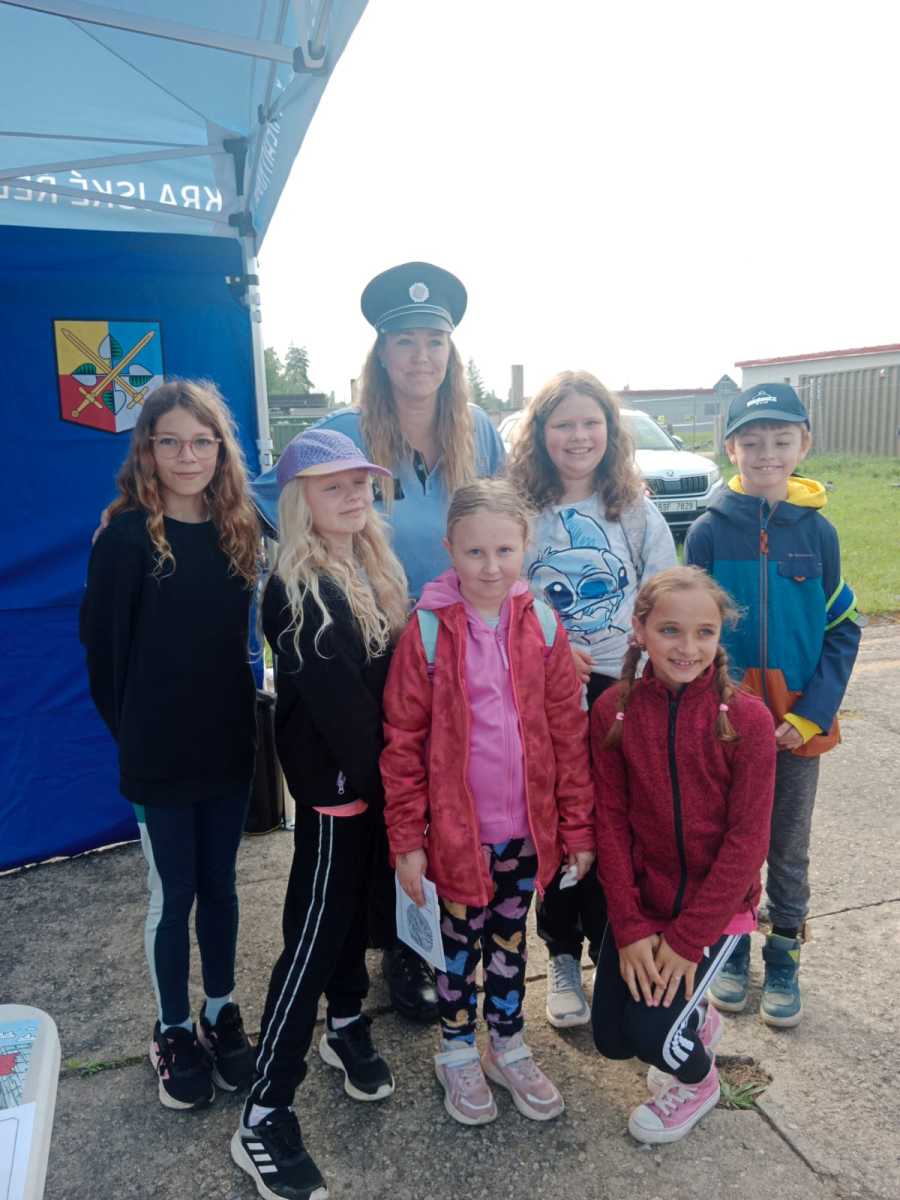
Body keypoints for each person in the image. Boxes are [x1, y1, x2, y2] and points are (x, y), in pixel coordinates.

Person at [253, 262, 505, 1025]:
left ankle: (429, 935)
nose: (421, 356)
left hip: (457, 642)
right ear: (381, 352)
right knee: (393, 794)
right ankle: (394, 947)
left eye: (435, 341)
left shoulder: (478, 429)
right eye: (405, 341)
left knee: (450, 791)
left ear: (451, 351)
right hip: (376, 650)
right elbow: (270, 499)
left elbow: (500, 520)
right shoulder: (346, 430)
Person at [381, 479, 595, 1127]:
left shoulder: (545, 626)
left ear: (525, 545)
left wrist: (577, 827)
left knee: (508, 941)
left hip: (526, 833)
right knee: (455, 949)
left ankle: (507, 1044)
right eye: (475, 552)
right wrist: (407, 840)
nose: (491, 566)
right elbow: (402, 743)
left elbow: (569, 734)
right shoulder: (425, 632)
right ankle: (455, 1051)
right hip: (455, 837)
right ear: (449, 548)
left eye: (504, 549)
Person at [232, 428, 409, 1200]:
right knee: (312, 935)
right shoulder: (296, 585)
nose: (353, 494)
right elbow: (346, 716)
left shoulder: (371, 561)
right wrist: (403, 797)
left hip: (375, 777)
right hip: (341, 786)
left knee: (354, 915)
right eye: (333, 485)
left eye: (360, 481)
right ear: (300, 501)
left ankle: (345, 1023)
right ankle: (264, 1109)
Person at [80, 379, 260, 1110]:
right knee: (174, 892)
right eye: (171, 442)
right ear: (148, 450)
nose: (188, 456)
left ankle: (220, 1009)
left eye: (202, 441)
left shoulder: (240, 528)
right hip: (159, 756)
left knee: (221, 887)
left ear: (220, 450)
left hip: (229, 746)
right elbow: (103, 657)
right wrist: (138, 736)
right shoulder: (125, 538)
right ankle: (174, 1028)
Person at [685, 383, 861, 1026]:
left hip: (796, 720)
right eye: (752, 441)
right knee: (728, 840)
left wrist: (810, 714)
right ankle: (731, 948)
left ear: (803, 445)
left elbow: (843, 628)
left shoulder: (819, 533)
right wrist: (713, 707)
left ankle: (784, 955)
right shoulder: (707, 532)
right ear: (730, 448)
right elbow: (690, 632)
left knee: (787, 845)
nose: (766, 453)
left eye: (781, 440)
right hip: (726, 720)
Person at [508, 370, 677, 1028]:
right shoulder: (522, 509)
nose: (577, 436)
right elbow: (503, 593)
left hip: (621, 688)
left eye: (590, 423)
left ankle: (612, 946)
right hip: (546, 692)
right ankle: (560, 952)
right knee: (557, 820)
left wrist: (647, 660)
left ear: (610, 431)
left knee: (615, 824)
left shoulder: (631, 508)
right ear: (540, 433)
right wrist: (546, 648)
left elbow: (663, 592)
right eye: (563, 424)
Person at [591, 565, 776, 1145]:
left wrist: (687, 941)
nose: (687, 647)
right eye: (670, 630)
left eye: (705, 633)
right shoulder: (612, 711)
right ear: (640, 629)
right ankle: (694, 1013)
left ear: (720, 636)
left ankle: (701, 1084)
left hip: (713, 914)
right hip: (645, 906)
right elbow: (610, 825)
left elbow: (747, 843)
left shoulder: (748, 721)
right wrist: (629, 928)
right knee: (612, 1040)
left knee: (657, 1040)